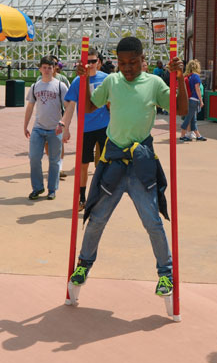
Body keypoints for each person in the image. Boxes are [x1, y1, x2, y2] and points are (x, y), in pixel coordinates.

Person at [69, 37, 188, 297]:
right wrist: (86, 80)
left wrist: (179, 77)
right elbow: (89, 107)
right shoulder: (112, 81)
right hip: (112, 160)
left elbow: (181, 108)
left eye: (133, 62)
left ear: (142, 59)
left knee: (152, 222)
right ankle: (83, 265)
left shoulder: (154, 83)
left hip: (140, 163)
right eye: (122, 63)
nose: (128, 68)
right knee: (96, 219)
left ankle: (165, 274)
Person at [61, 49, 110, 211]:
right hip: (85, 128)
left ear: (99, 63)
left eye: (93, 61)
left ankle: (100, 197)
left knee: (103, 165)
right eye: (86, 62)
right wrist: (65, 127)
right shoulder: (78, 81)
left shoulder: (107, 79)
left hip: (105, 128)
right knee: (83, 165)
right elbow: (70, 105)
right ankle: (82, 197)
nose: (90, 65)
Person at [25, 56, 68, 200]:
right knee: (34, 158)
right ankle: (37, 188)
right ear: (40, 69)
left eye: (50, 67)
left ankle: (52, 189)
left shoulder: (60, 86)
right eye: (44, 67)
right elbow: (30, 106)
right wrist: (25, 125)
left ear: (54, 69)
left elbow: (68, 107)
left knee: (54, 160)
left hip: (55, 128)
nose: (47, 70)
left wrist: (63, 124)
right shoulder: (35, 86)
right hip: (38, 128)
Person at [179, 59, 206, 142]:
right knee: (188, 118)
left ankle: (198, 135)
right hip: (194, 100)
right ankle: (182, 135)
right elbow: (197, 89)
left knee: (193, 119)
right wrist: (201, 100)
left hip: (189, 99)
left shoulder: (188, 76)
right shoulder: (196, 76)